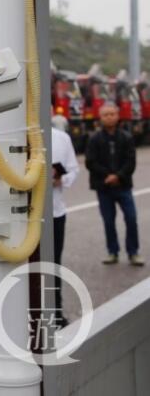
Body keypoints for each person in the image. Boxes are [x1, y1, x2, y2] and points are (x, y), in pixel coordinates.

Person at [85, 102, 144, 266]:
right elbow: (90, 162)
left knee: (131, 218)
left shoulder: (126, 137)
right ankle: (112, 252)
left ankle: (133, 252)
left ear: (118, 116)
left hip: (123, 186)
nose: (109, 117)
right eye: (106, 114)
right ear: (100, 117)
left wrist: (118, 176)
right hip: (103, 187)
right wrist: (107, 176)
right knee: (108, 221)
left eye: (112, 114)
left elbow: (131, 161)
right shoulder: (94, 139)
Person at [51, 122, 79, 327]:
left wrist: (61, 180)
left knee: (53, 265)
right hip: (22, 214)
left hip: (55, 212)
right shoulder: (17, 133)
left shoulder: (61, 137)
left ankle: (55, 312)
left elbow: (73, 169)